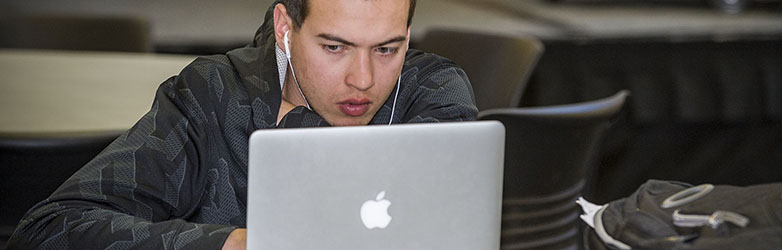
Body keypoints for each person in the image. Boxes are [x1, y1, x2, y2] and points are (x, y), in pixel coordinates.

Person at [6, 0, 477, 249]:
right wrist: (231, 245)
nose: (363, 79)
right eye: (334, 47)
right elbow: (50, 231)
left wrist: (299, 125)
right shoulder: (211, 95)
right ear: (284, 28)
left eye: (387, 48)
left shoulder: (432, 91)